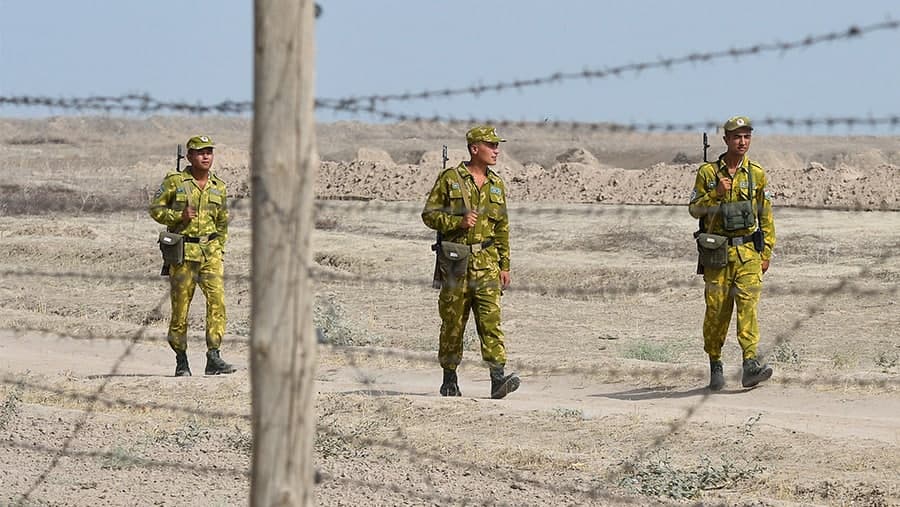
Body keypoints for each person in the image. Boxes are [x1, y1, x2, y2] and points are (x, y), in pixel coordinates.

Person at [422, 125, 520, 399]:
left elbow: (502, 227)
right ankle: (449, 378)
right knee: (453, 322)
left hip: (487, 263)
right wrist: (457, 221)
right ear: (474, 148)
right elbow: (429, 215)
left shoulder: (497, 184)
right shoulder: (450, 179)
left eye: (497, 145)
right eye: (491, 145)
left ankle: (497, 379)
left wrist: (504, 265)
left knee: (491, 321)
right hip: (456, 262)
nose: (496, 150)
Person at [689, 116, 776, 390]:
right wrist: (715, 193)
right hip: (718, 255)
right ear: (726, 139)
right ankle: (715, 363)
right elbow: (694, 210)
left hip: (748, 252)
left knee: (748, 309)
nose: (742, 142)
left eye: (747, 136)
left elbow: (766, 215)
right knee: (717, 312)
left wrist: (767, 252)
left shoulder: (757, 174)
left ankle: (750, 365)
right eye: (737, 137)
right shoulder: (707, 173)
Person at [149, 135, 235, 377]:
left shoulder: (219, 186)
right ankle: (181, 359)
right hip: (183, 254)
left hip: (210, 254)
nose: (205, 156)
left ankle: (213, 356)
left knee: (217, 303)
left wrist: (220, 249)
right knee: (181, 309)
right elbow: (155, 209)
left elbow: (222, 223)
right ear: (189, 156)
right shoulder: (175, 181)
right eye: (200, 152)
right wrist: (178, 216)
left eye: (209, 152)